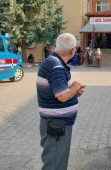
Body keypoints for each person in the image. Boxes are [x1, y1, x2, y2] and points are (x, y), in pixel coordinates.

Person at [37, 33, 85, 170]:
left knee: (58, 162)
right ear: (73, 51)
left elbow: (61, 92)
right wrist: (75, 86)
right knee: (55, 165)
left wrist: (74, 92)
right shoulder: (56, 66)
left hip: (58, 124)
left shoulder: (55, 63)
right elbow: (62, 97)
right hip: (56, 125)